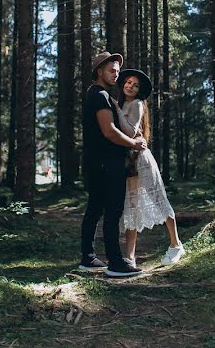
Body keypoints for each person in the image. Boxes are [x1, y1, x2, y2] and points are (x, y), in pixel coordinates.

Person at [78, 52, 147, 278]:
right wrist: (134, 143)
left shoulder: (98, 95)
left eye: (118, 70)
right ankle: (116, 263)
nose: (116, 74)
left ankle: (88, 258)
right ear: (99, 71)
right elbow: (109, 131)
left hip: (96, 163)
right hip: (107, 163)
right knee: (112, 211)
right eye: (111, 70)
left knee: (95, 209)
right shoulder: (100, 96)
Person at [115, 69, 185, 266]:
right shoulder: (121, 104)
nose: (130, 86)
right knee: (132, 206)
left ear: (139, 91)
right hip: (128, 162)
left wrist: (118, 111)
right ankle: (130, 256)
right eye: (128, 82)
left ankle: (176, 244)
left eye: (135, 85)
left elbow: (130, 130)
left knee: (158, 199)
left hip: (141, 160)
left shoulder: (136, 104)